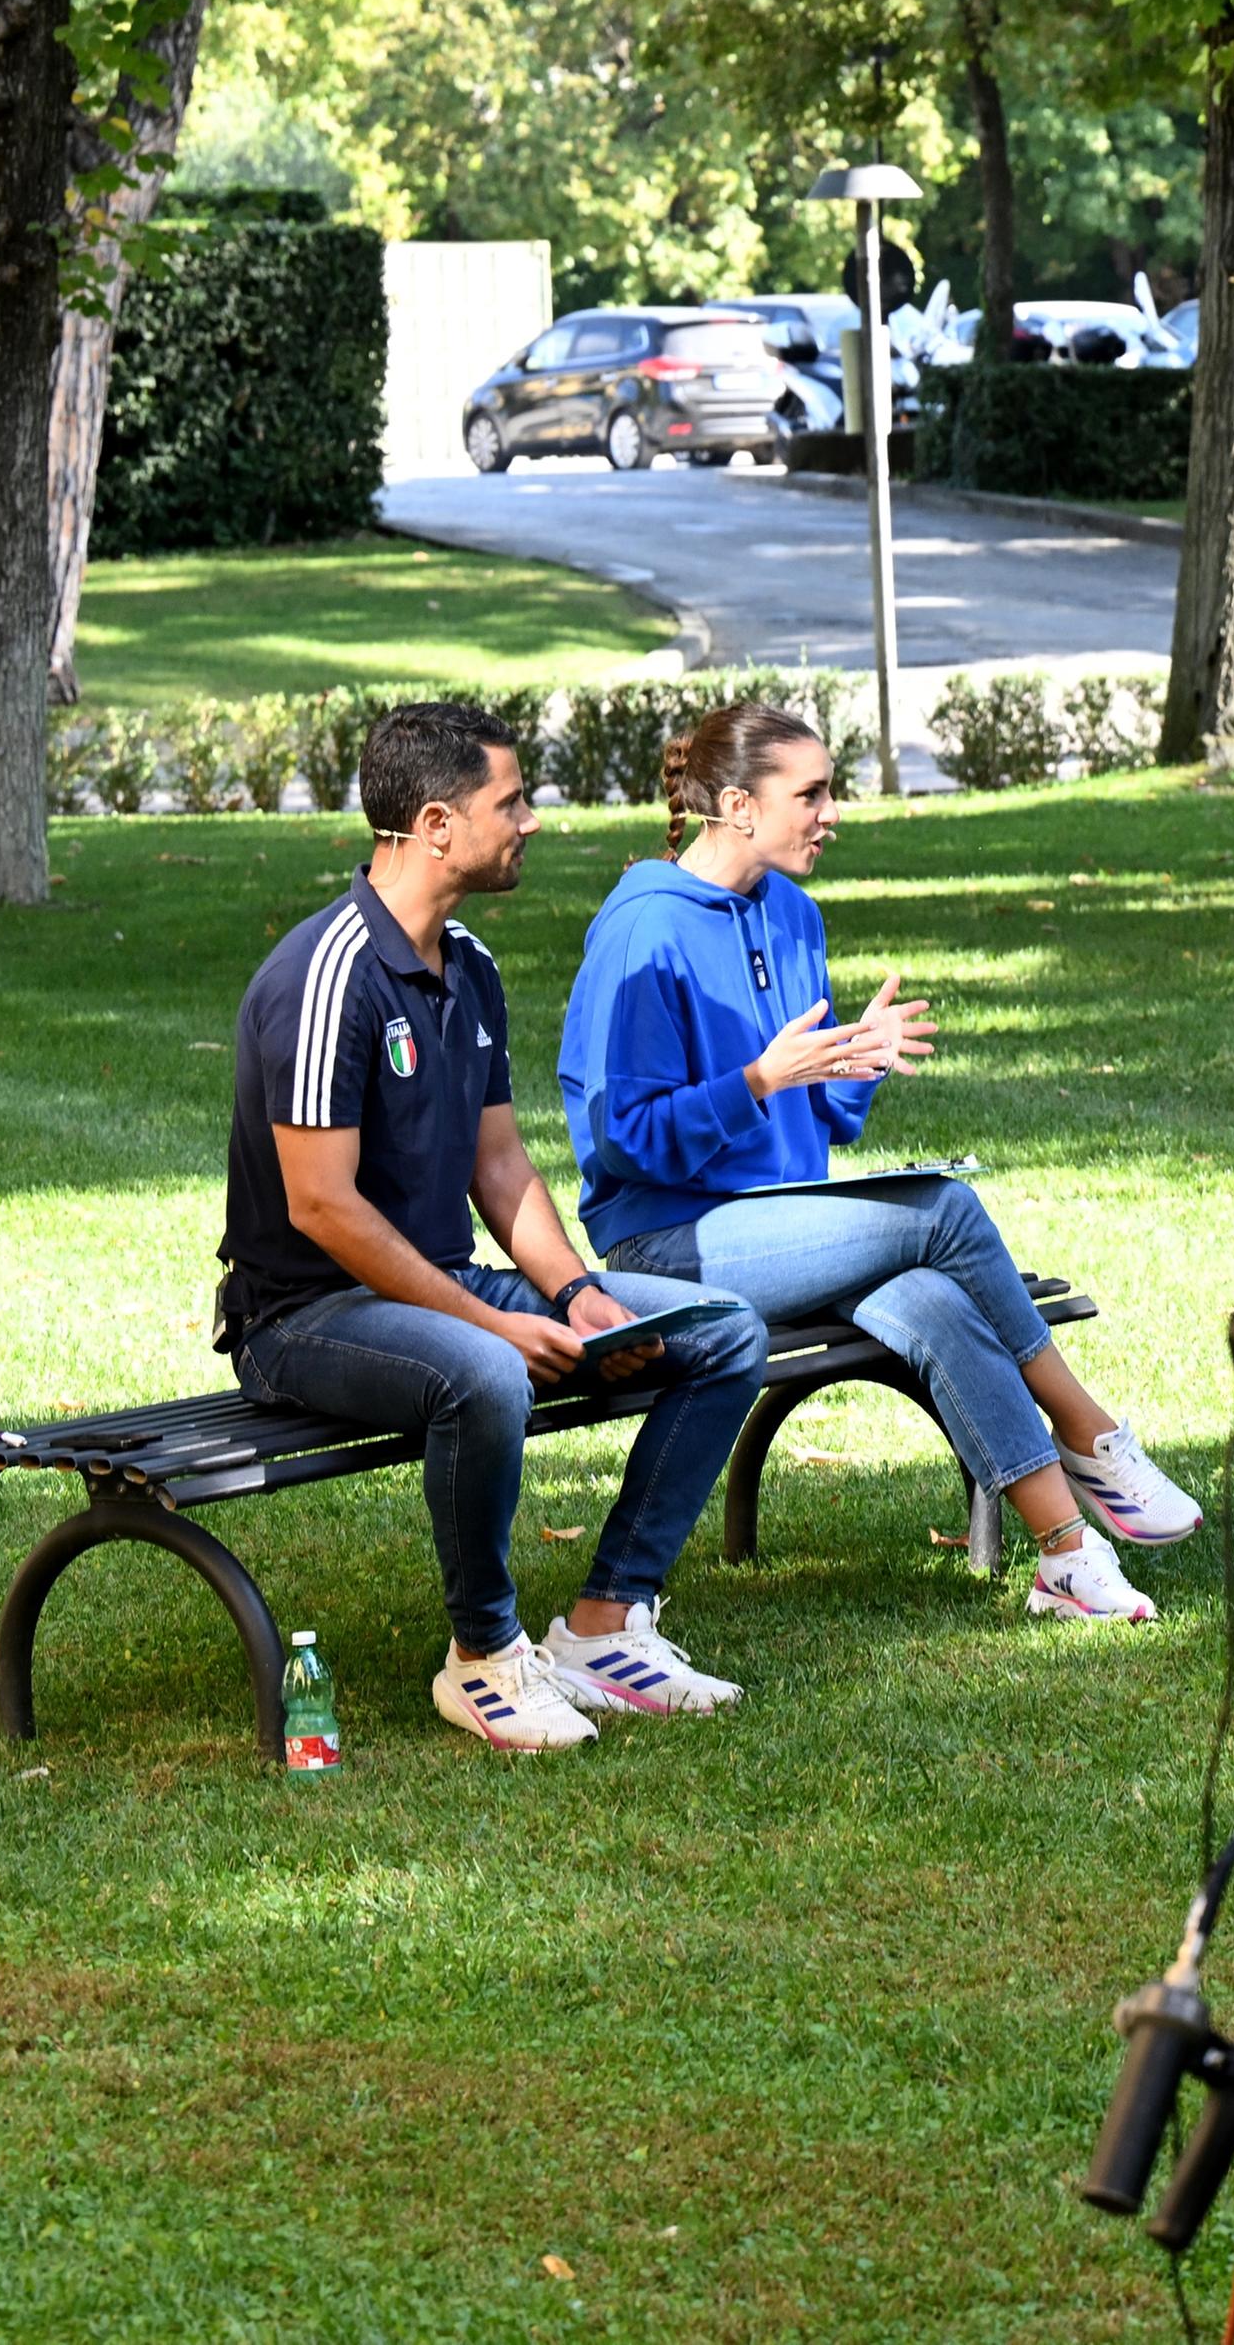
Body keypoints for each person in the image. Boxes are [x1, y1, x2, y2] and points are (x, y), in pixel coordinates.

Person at [558, 700, 1199, 1624]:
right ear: (738, 805)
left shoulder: (793, 915)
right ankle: (1092, 1433)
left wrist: (854, 1064)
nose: (832, 812)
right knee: (941, 1210)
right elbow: (622, 1138)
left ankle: (1068, 1559)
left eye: (833, 790)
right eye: (810, 793)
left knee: (936, 1301)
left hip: (789, 1224)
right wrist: (756, 1080)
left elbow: (819, 1119)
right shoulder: (643, 932)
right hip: (672, 1244)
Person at [219, 702, 771, 1753]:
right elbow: (321, 1207)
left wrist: (572, 1292)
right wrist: (490, 1320)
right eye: (510, 802)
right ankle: (482, 1659)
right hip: (303, 1314)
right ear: (435, 824)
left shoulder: (467, 964)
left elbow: (501, 1165)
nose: (532, 820)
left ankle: (607, 1623)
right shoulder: (326, 974)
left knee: (722, 1332)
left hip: (436, 1287)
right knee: (484, 1372)